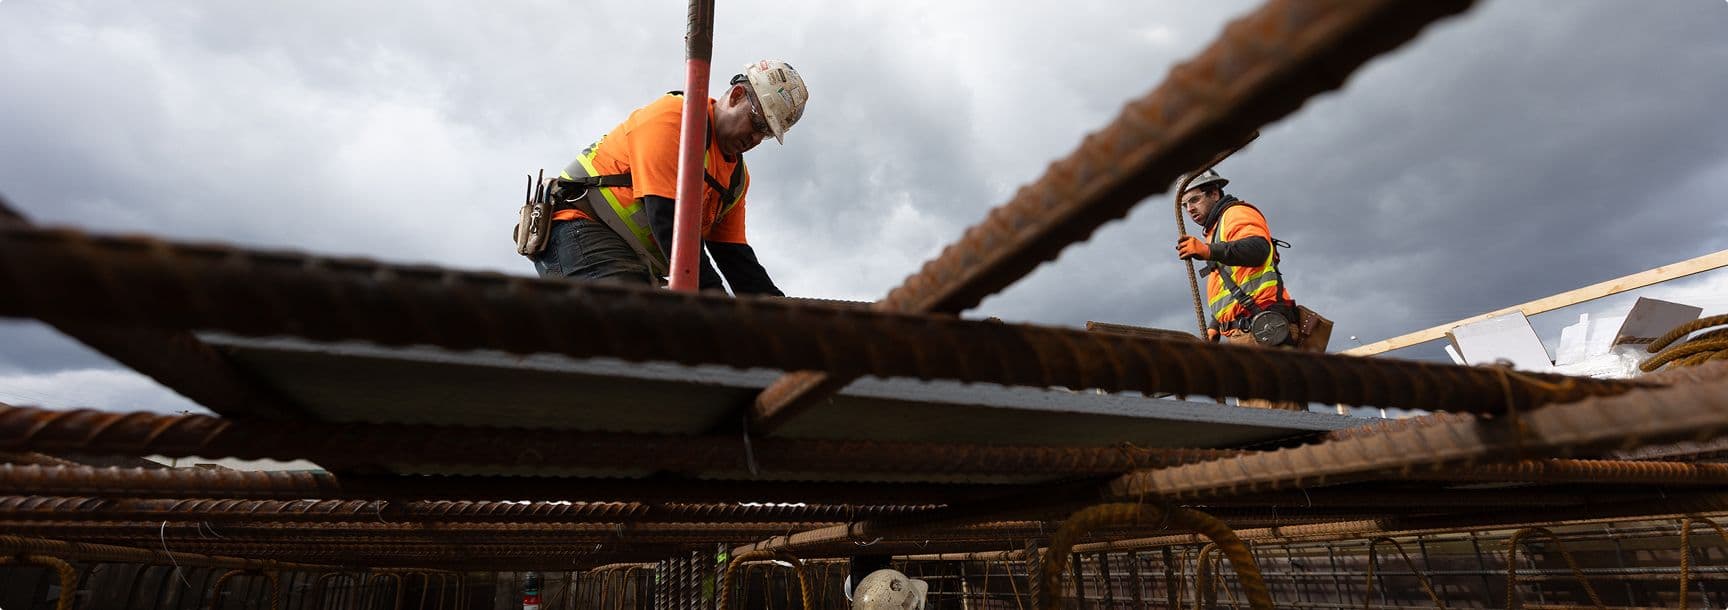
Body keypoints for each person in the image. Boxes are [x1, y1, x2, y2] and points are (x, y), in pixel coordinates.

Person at [530, 60, 808, 296]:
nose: (757, 138)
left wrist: (775, 311)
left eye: (768, 133)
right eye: (757, 123)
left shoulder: (736, 178)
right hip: (579, 226)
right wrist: (718, 306)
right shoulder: (675, 119)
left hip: (628, 256)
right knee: (636, 326)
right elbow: (668, 220)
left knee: (671, 338)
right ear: (735, 96)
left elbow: (733, 255)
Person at [1175, 168, 1326, 408]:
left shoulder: (1235, 213)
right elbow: (1236, 284)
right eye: (1184, 205)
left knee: (1279, 416)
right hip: (1243, 336)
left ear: (1214, 193)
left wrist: (1208, 252)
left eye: (1194, 200)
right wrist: (1216, 326)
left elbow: (1258, 249)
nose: (1190, 209)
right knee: (1258, 418)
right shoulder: (1215, 231)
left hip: (1261, 332)